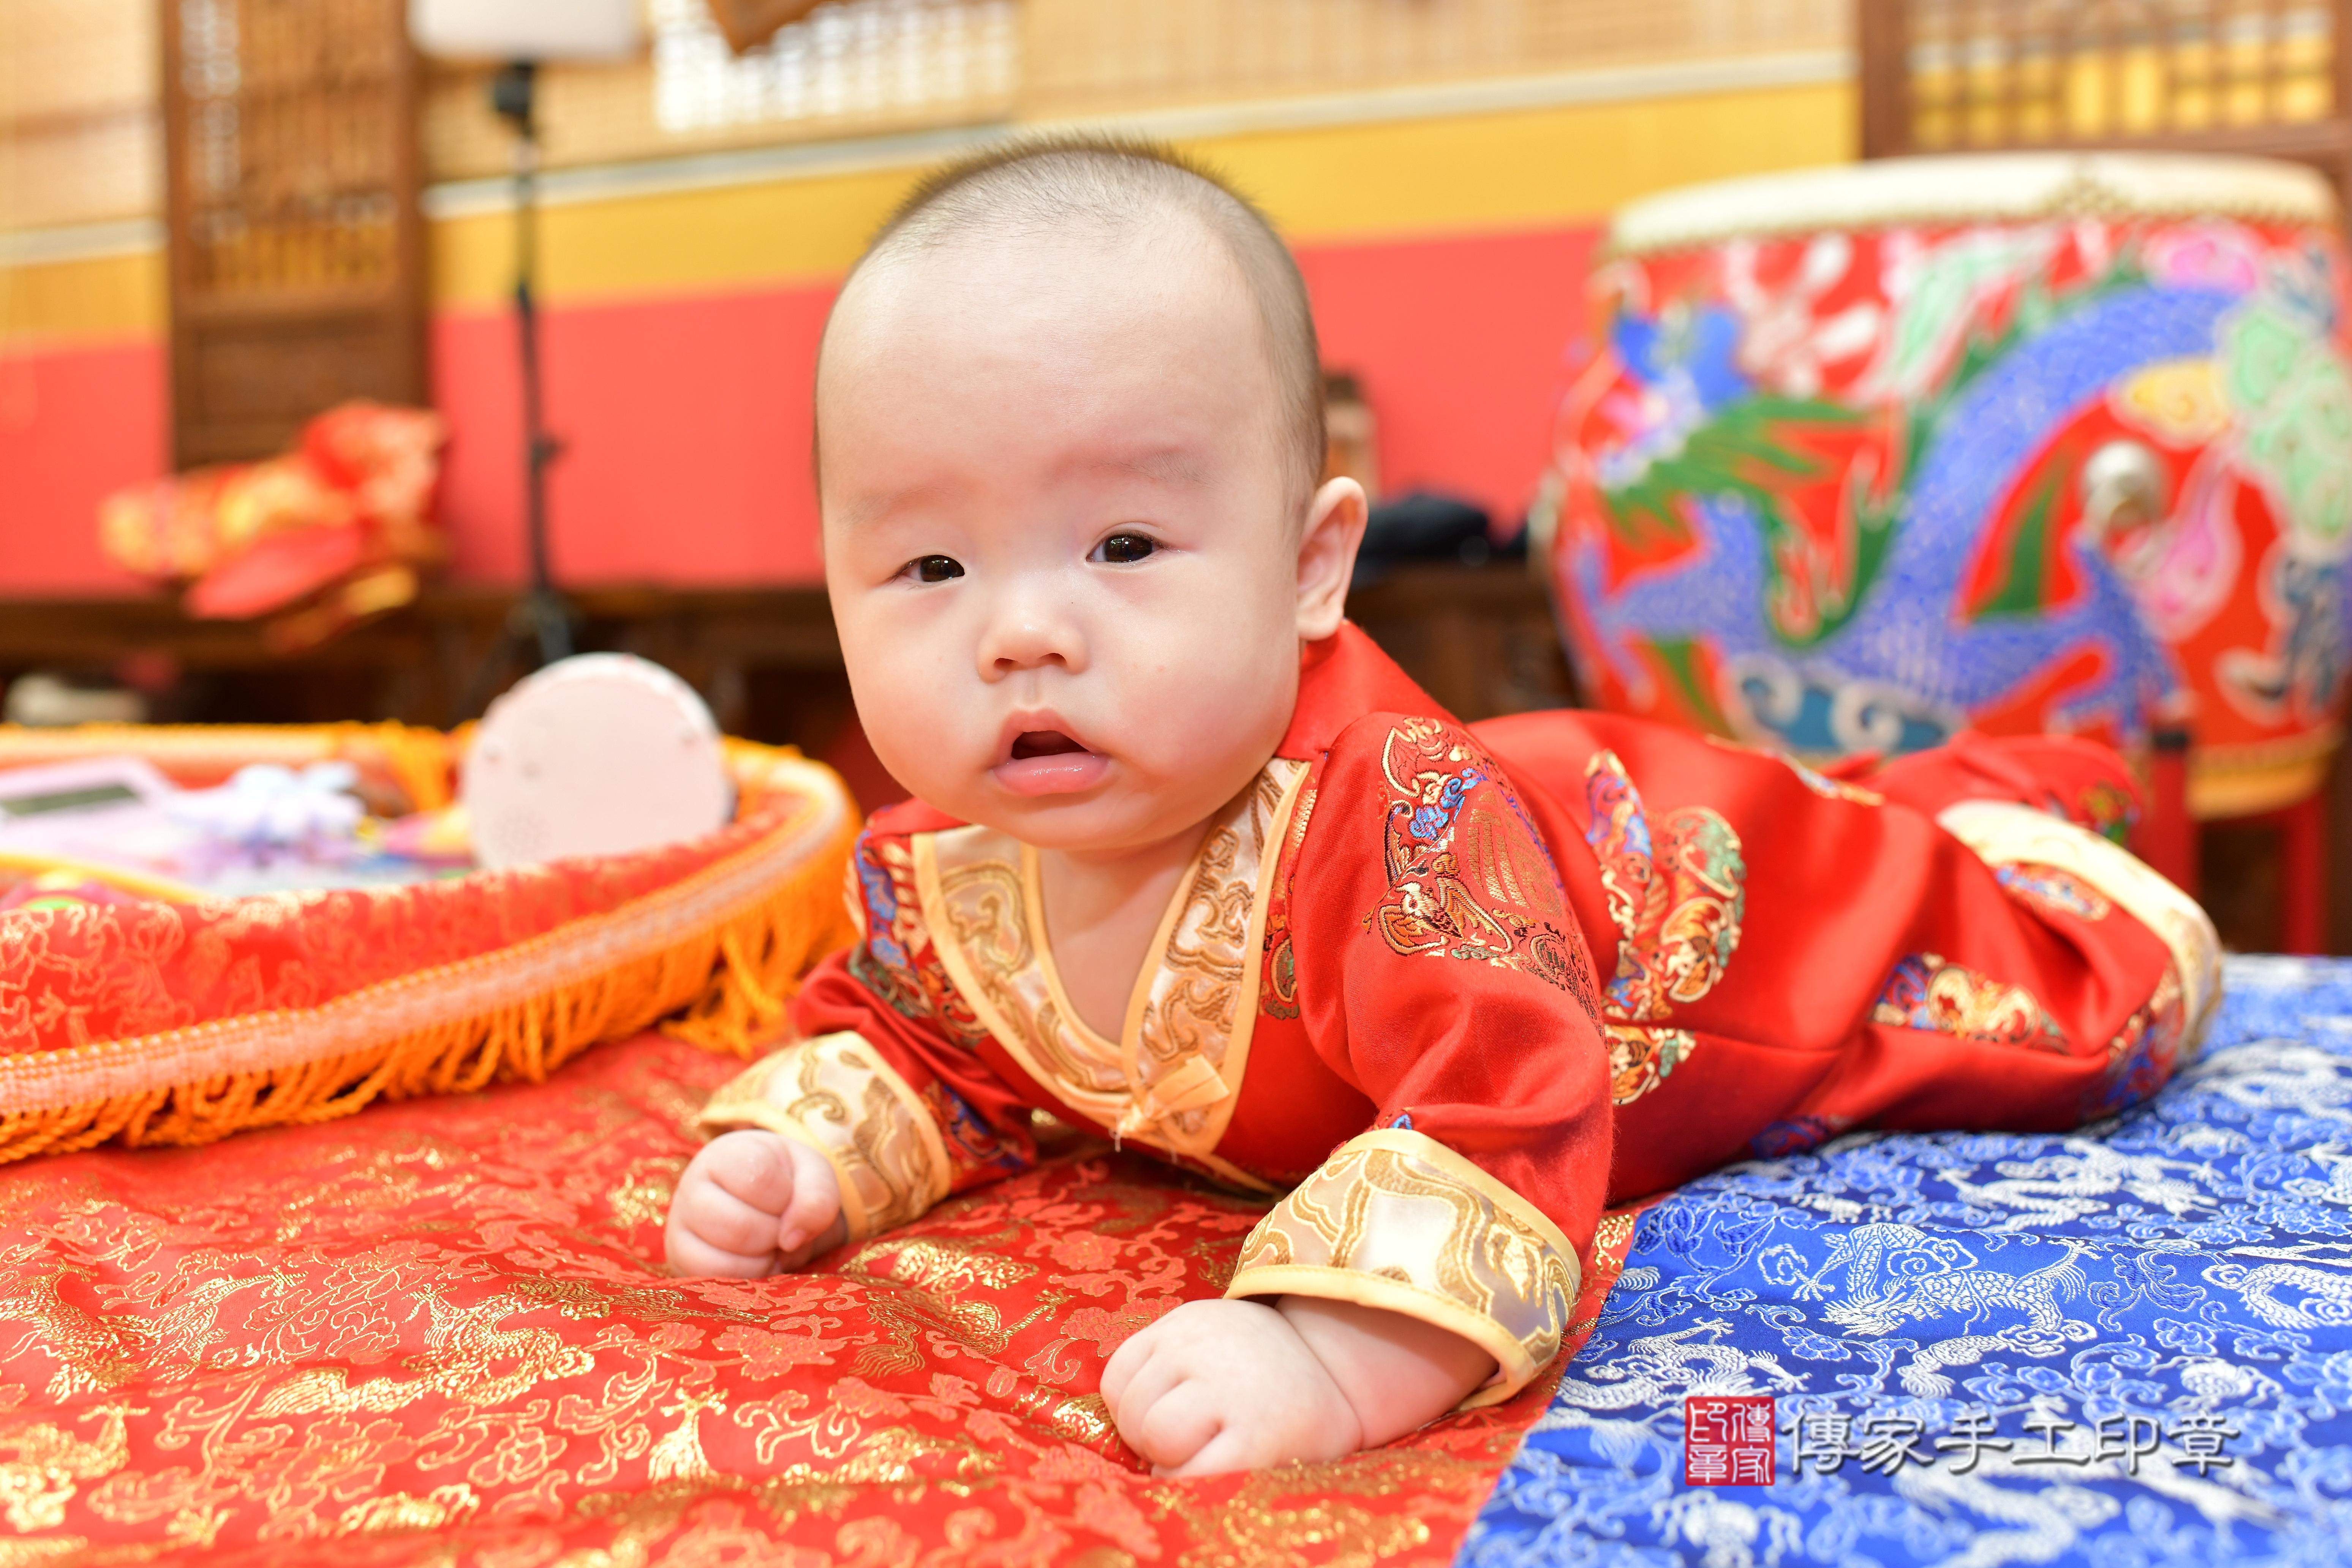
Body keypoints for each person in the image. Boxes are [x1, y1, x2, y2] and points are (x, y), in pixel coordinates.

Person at [660, 136, 2220, 1476]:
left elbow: (1509, 1107)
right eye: (931, 566)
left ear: (1309, 566)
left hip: (1705, 919)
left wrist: (1334, 1361)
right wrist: (817, 1159)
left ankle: (2010, 816)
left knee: (2022, 967)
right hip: (1572, 783)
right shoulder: (941, 863)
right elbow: (935, 1048)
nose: (1020, 630)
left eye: (1125, 545)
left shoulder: (1402, 839)